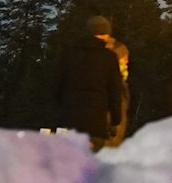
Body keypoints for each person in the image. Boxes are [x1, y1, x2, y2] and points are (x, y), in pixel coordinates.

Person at [53, 13, 129, 150]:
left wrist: (61, 110)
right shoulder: (109, 57)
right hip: (96, 123)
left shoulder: (69, 54)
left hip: (70, 119)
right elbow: (114, 93)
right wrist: (115, 121)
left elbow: (57, 87)